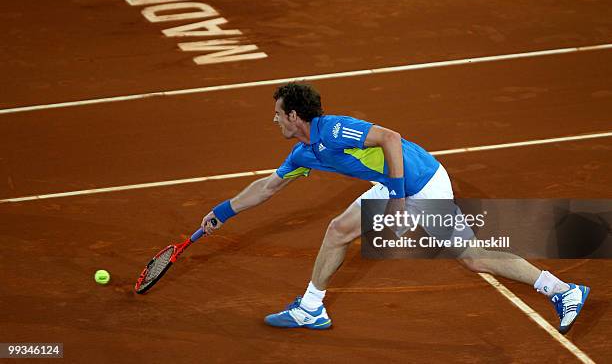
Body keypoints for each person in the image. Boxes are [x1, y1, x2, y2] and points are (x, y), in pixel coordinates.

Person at [199, 82, 589, 333]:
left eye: (278, 114)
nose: (275, 119)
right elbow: (267, 188)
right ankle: (311, 308)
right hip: (397, 184)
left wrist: (399, 201)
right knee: (339, 229)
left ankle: (563, 290)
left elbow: (389, 137)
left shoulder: (333, 129)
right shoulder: (304, 153)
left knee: (472, 256)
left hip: (422, 184)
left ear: (295, 116)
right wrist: (222, 211)